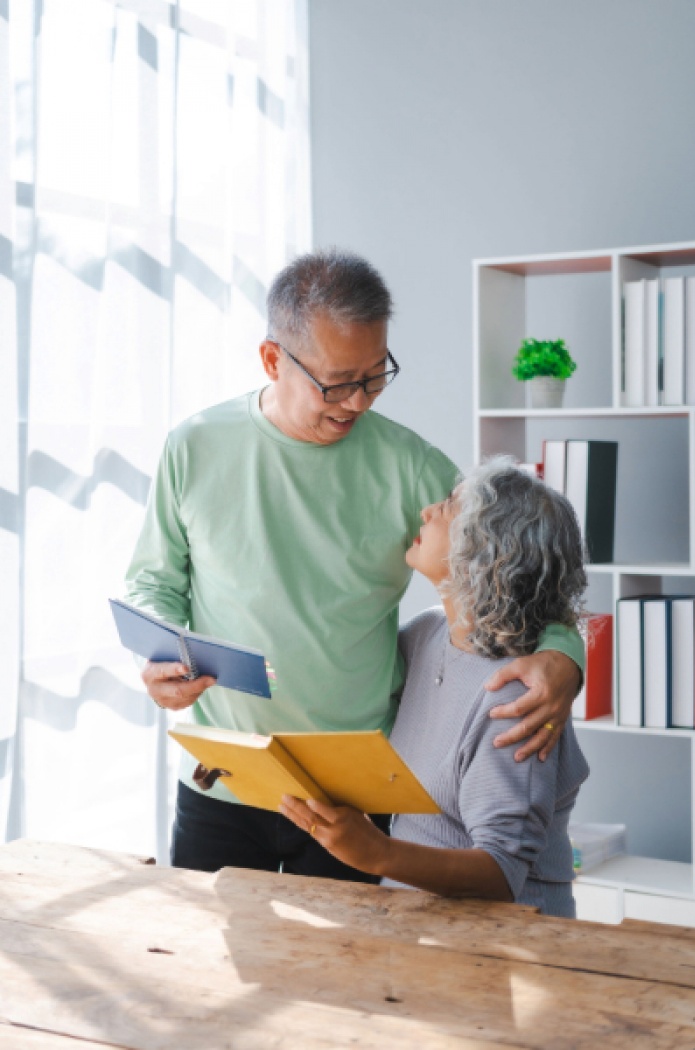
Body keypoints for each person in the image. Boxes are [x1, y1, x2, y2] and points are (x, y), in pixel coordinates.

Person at [124, 249, 585, 881]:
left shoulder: (415, 468)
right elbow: (153, 581)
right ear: (271, 360)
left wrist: (565, 657)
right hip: (223, 778)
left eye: (376, 376)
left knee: (352, 977)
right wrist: (159, 659)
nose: (359, 401)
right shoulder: (193, 446)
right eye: (338, 382)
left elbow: (514, 572)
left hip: (358, 797)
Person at [280, 458, 590, 917]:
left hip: (509, 947)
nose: (427, 512)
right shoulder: (426, 636)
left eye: (447, 507)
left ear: (482, 551)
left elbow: (502, 874)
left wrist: (376, 853)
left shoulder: (515, 696)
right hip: (417, 926)